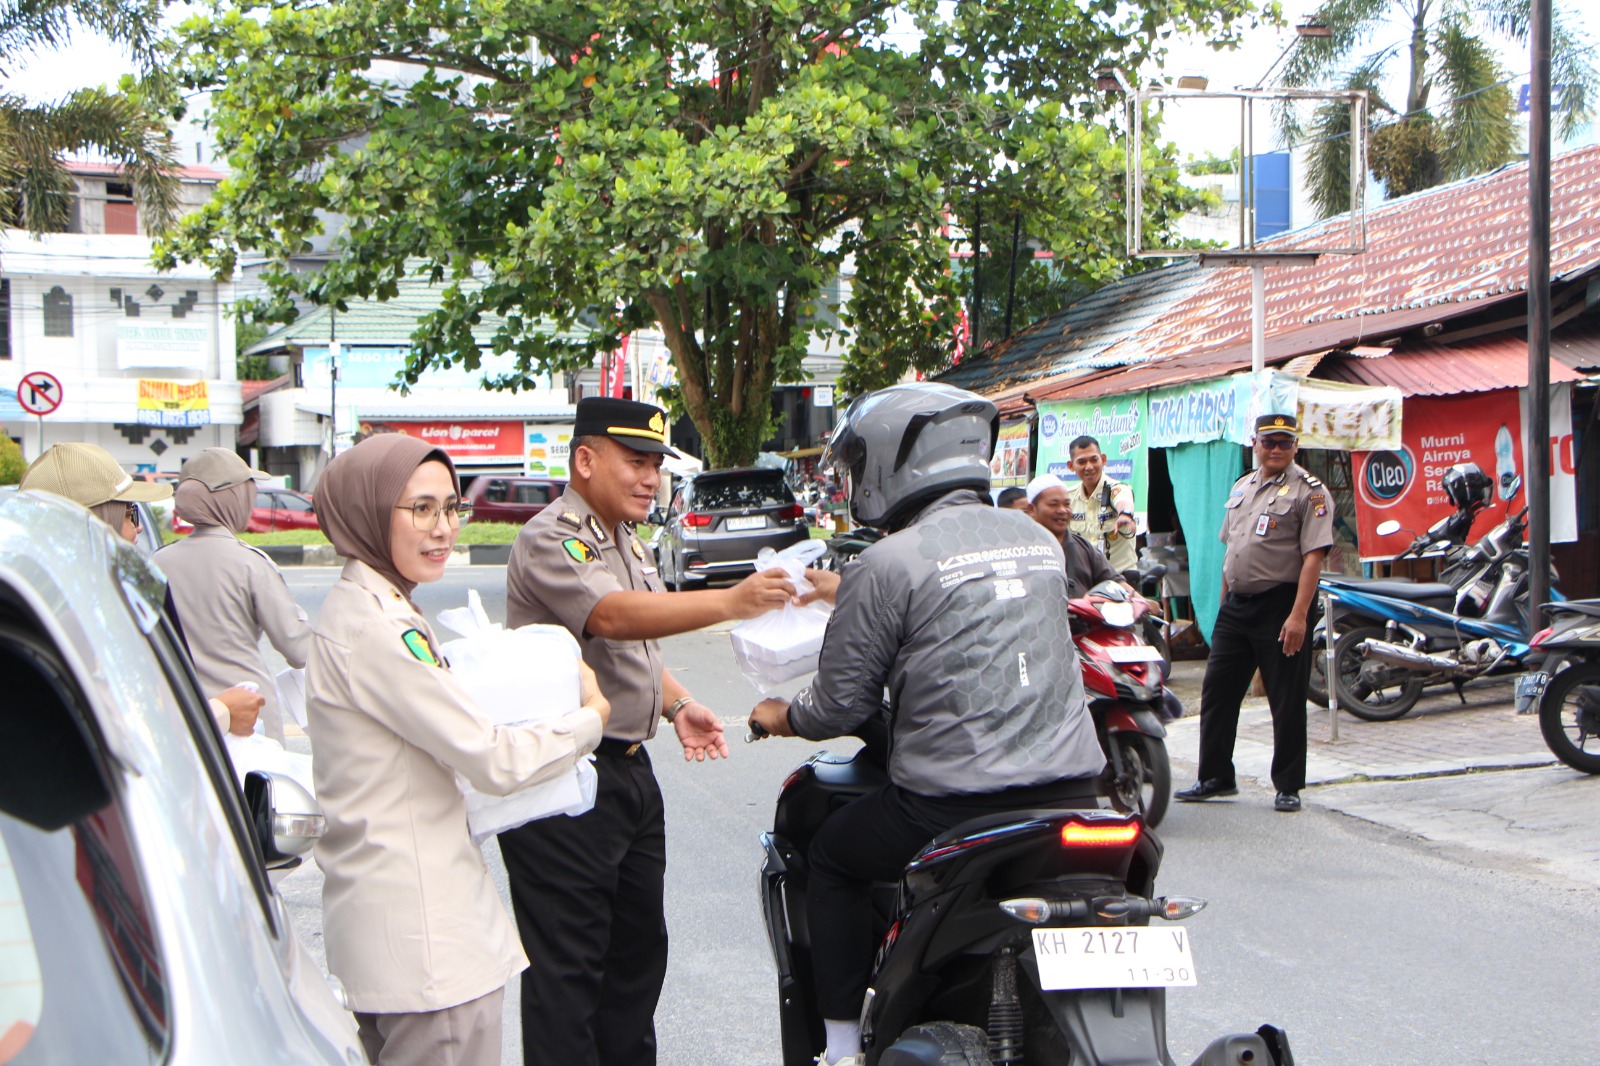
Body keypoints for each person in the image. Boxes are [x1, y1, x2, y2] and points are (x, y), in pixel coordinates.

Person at [748, 383, 1105, 1066]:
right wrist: (843, 587)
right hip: (1074, 795)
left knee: (832, 857)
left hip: (949, 807)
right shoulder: (1038, 540)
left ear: (889, 462)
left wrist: (781, 717)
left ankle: (844, 1045)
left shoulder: (886, 562)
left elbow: (841, 707)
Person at [500, 396, 795, 1066]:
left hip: (628, 773)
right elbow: (611, 617)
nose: (649, 478)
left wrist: (677, 701)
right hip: (565, 781)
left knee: (635, 962)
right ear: (585, 459)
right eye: (635, 462)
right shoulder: (552, 538)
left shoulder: (623, 538)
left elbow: (633, 647)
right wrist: (730, 600)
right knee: (569, 973)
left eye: (656, 465)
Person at [305, 434, 611, 1066]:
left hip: (396, 928)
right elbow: (494, 759)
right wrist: (589, 720)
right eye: (420, 509)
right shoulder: (379, 628)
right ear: (367, 510)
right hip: (428, 944)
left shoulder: (366, 606)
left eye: (450, 508)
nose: (442, 528)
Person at [20, 442, 264, 737]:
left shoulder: (34, 604)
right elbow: (132, 735)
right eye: (129, 513)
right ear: (96, 524)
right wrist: (223, 711)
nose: (137, 528)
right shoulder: (88, 618)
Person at [1176, 414, 1333, 814]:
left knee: (1286, 697)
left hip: (1281, 605)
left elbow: (1313, 558)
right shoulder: (1243, 485)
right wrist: (1225, 601)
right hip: (1237, 606)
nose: (1276, 449)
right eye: (1269, 442)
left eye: (1284, 442)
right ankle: (1215, 777)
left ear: (1296, 446)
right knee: (1218, 691)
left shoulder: (1310, 493)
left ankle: (1288, 785)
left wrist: (1299, 617)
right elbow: (1232, 548)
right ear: (1255, 443)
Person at [155, 449, 311, 742]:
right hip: (249, 716)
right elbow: (299, 648)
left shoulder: (157, 562)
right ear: (232, 499)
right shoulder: (250, 563)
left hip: (183, 711)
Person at [1024, 473, 1124, 598]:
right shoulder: (1021, 549)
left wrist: (1140, 600)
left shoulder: (1083, 547)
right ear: (1032, 509)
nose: (1062, 510)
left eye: (1066, 504)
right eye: (1053, 504)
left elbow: (1114, 581)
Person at [1066, 435, 1139, 580]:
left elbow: (1123, 500)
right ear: (1071, 466)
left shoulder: (1118, 488)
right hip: (1087, 581)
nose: (1089, 467)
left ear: (1103, 460)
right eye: (1081, 462)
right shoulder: (1068, 498)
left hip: (1121, 579)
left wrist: (1125, 515)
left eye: (1094, 459)